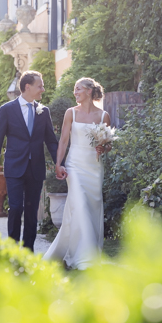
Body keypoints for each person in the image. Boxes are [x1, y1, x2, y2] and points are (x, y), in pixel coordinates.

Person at [43, 77, 111, 269]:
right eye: (75, 89)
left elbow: (107, 145)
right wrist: (59, 163)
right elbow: (63, 141)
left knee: (92, 206)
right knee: (80, 204)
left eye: (78, 89)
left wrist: (103, 149)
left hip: (94, 168)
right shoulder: (70, 113)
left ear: (89, 91)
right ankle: (84, 258)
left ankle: (85, 250)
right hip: (74, 166)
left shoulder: (103, 115)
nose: (75, 92)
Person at [0, 71, 59, 251]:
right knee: (15, 207)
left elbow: (51, 140)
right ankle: (12, 250)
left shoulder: (44, 112)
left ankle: (28, 251)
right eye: (40, 86)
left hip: (35, 168)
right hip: (14, 167)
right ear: (27, 87)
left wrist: (60, 163)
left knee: (31, 211)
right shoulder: (7, 109)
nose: (43, 89)